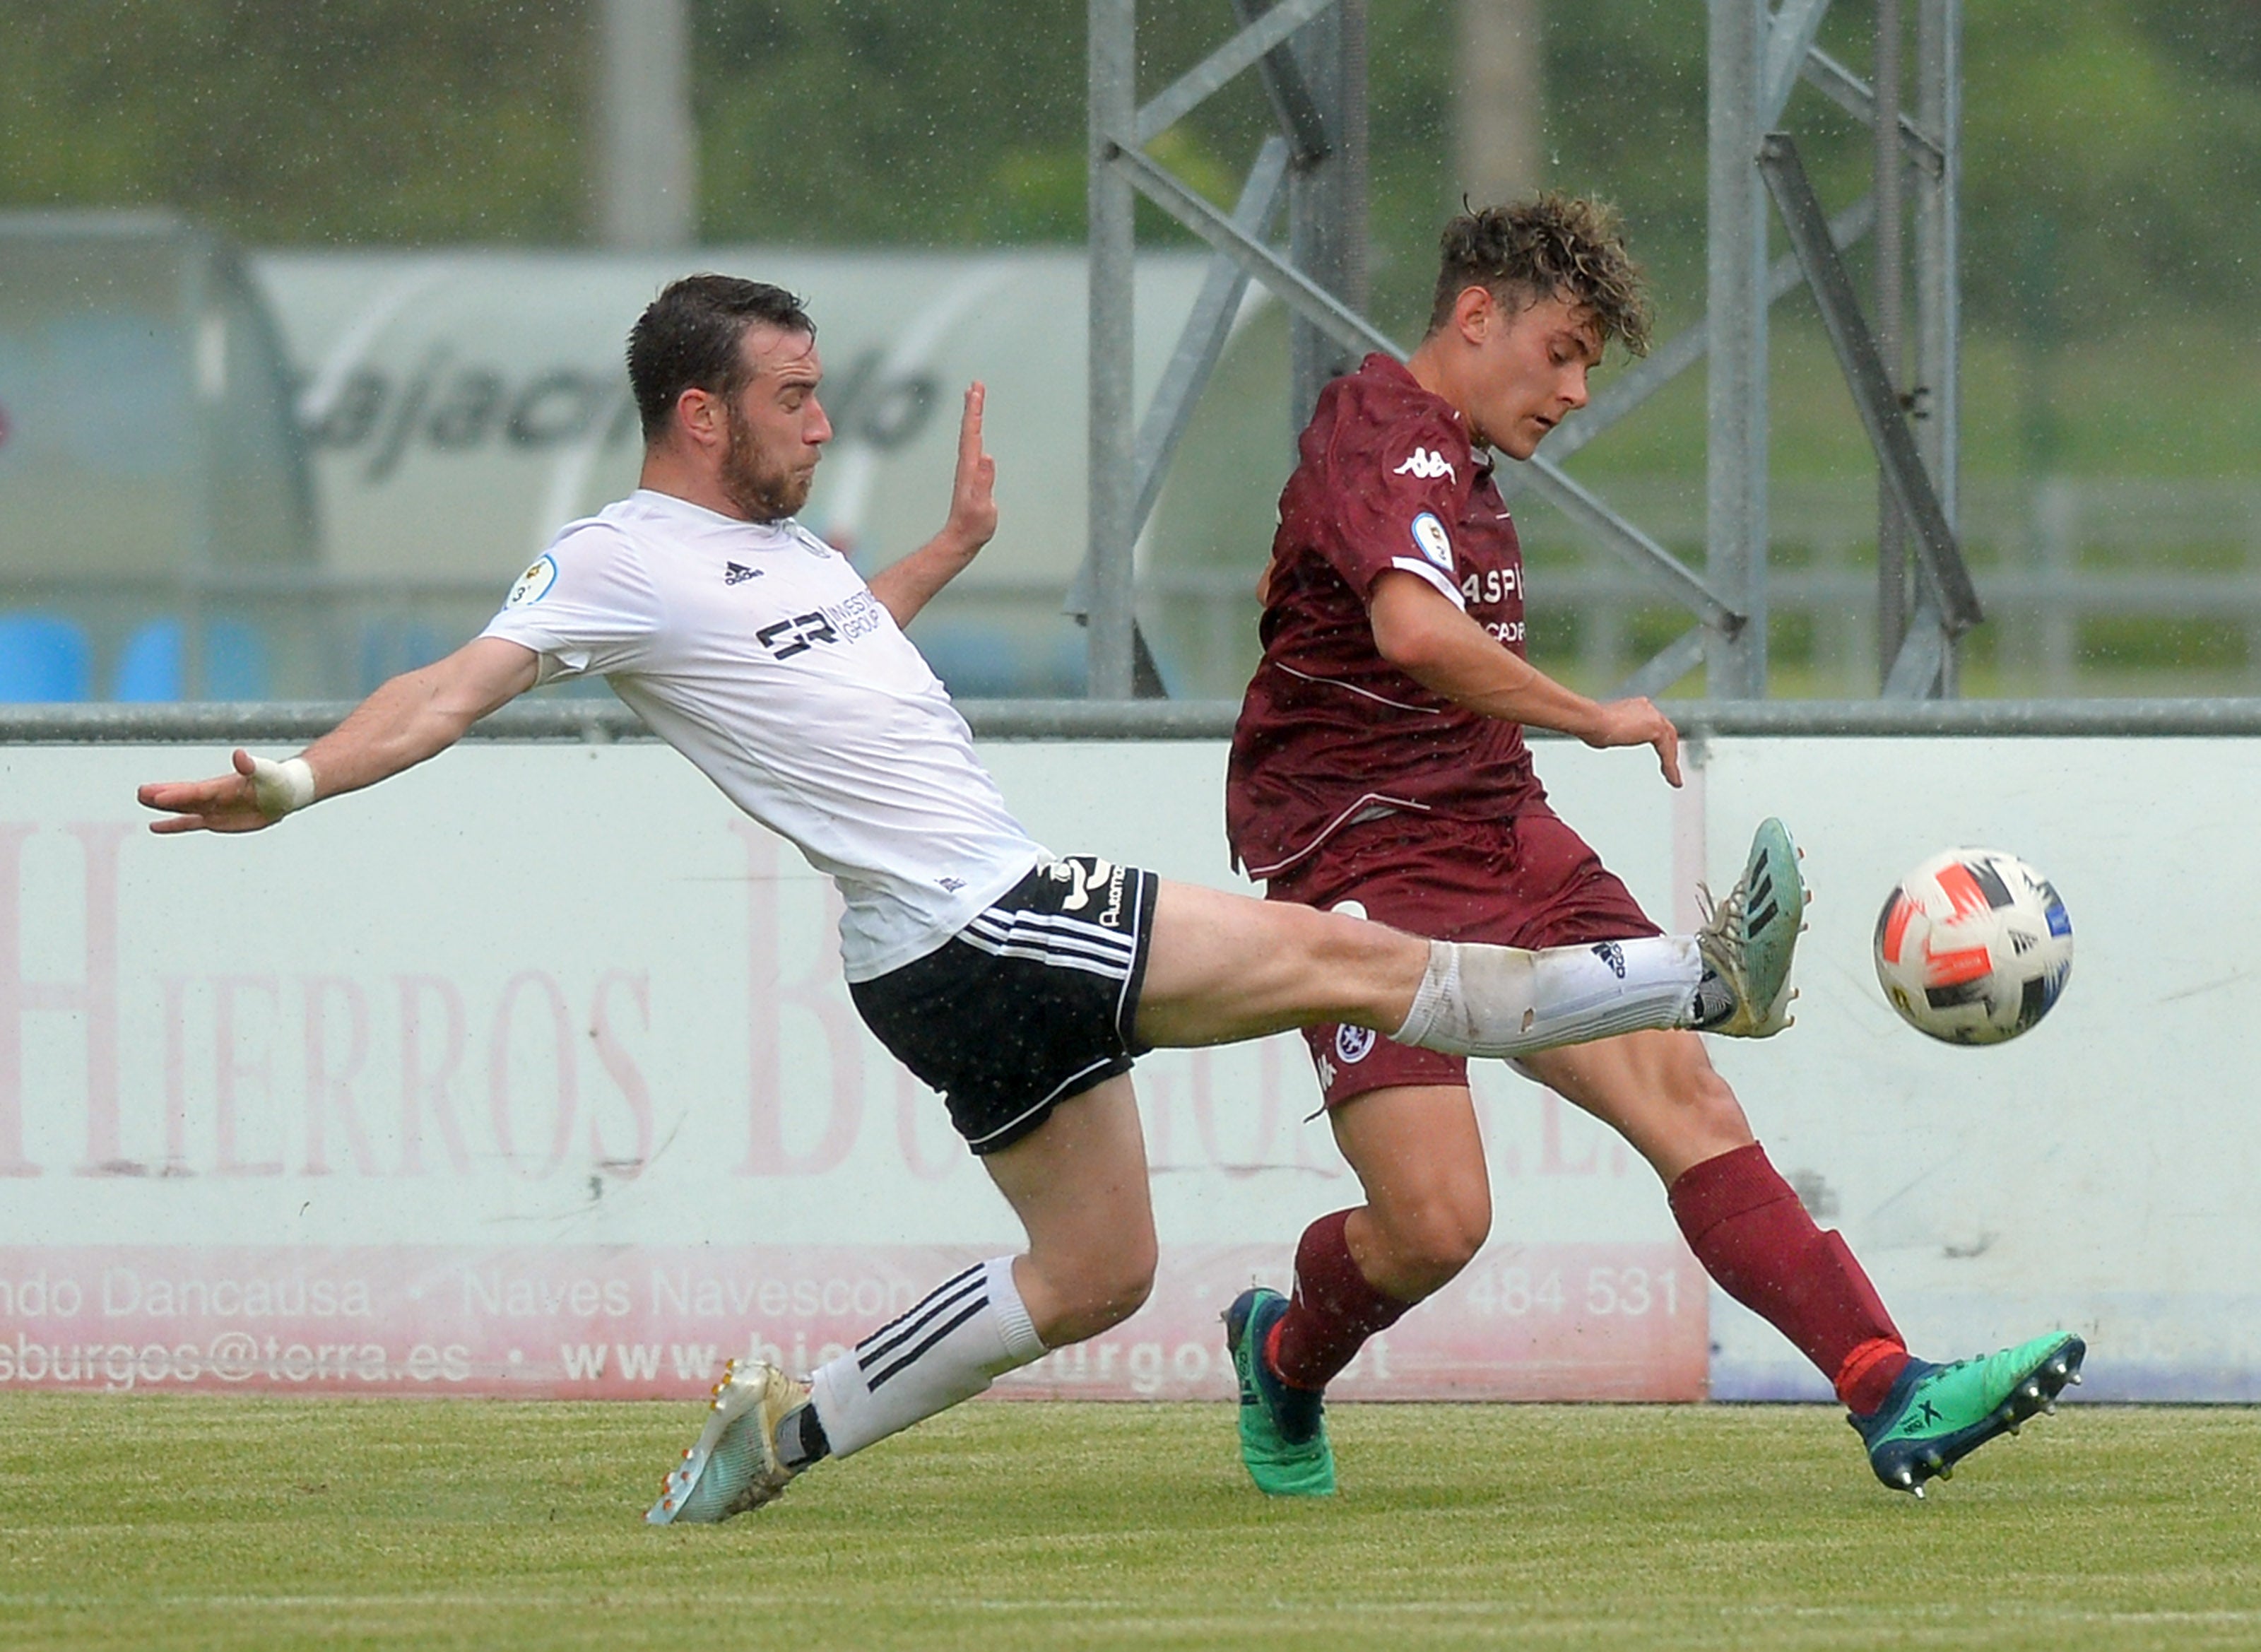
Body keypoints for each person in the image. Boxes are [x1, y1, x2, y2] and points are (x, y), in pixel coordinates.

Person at [141, 274, 1797, 1526]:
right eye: (791, 396)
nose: (819, 418)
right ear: (699, 416)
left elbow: (824, 647)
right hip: (983, 909)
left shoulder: (782, 558)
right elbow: (446, 688)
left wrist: (941, 549)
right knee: (1355, 958)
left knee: (1092, 1271)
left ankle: (773, 1442)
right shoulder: (617, 555)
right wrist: (290, 782)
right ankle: (1699, 981)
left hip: (916, 963)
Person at [1220, 196, 2083, 1501]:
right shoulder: (1376, 427)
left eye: (1587, 365)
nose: (1573, 390)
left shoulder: (1459, 467)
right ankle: (1283, 1352)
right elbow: (1412, 633)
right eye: (1560, 351)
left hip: (1503, 831)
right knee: (1439, 1223)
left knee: (1690, 1099)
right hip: (1359, 864)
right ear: (1473, 316)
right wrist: (1594, 716)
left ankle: (1888, 1390)